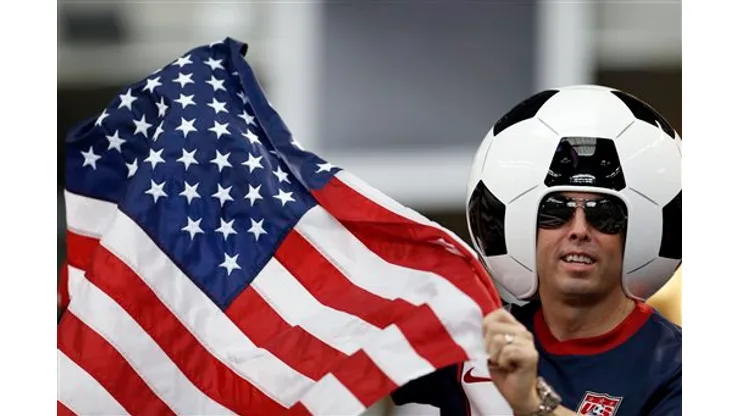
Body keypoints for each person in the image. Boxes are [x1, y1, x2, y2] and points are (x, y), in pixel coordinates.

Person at [391, 85, 681, 416]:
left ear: (639, 231)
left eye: (605, 215)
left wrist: (534, 404)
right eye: (555, 212)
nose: (579, 230)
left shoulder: (676, 366)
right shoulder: (477, 338)